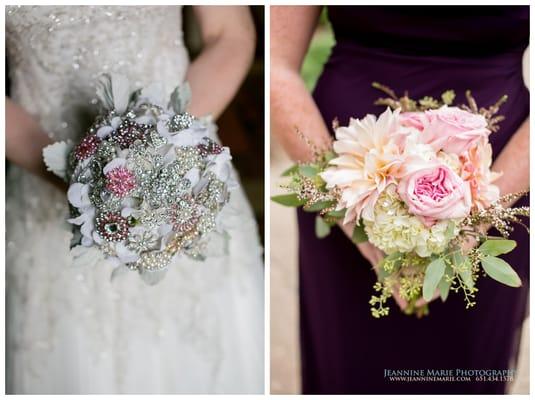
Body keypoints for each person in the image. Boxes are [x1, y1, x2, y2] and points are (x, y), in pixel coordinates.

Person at [271, 5, 529, 394]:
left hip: (501, 186)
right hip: (345, 174)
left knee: (464, 366)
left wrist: (473, 222)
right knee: (351, 363)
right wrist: (353, 213)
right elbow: (277, 64)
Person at [6, 5, 263, 394]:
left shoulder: (175, 160)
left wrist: (168, 152)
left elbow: (229, 34)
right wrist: (81, 181)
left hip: (185, 188)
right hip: (41, 184)